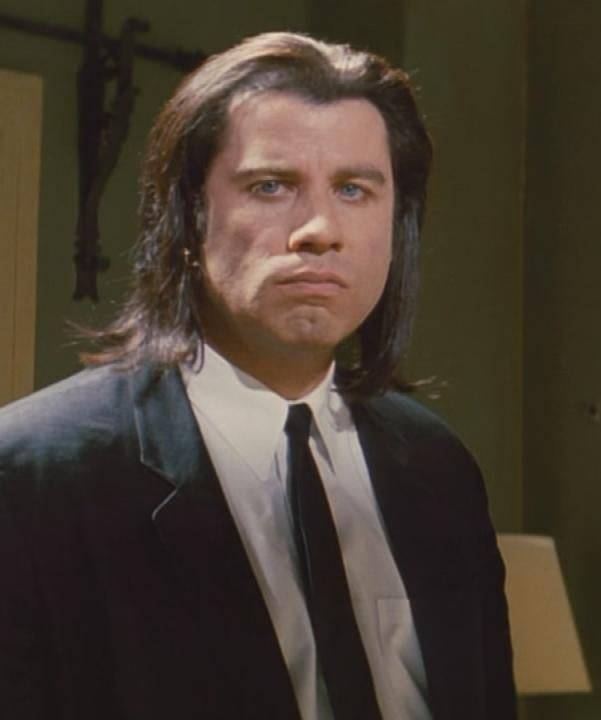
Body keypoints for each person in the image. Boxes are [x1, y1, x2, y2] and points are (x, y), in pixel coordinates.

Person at [0, 32, 514, 720]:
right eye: (271, 186)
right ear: (188, 216)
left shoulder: (437, 468)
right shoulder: (33, 477)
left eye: (354, 189)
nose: (320, 229)